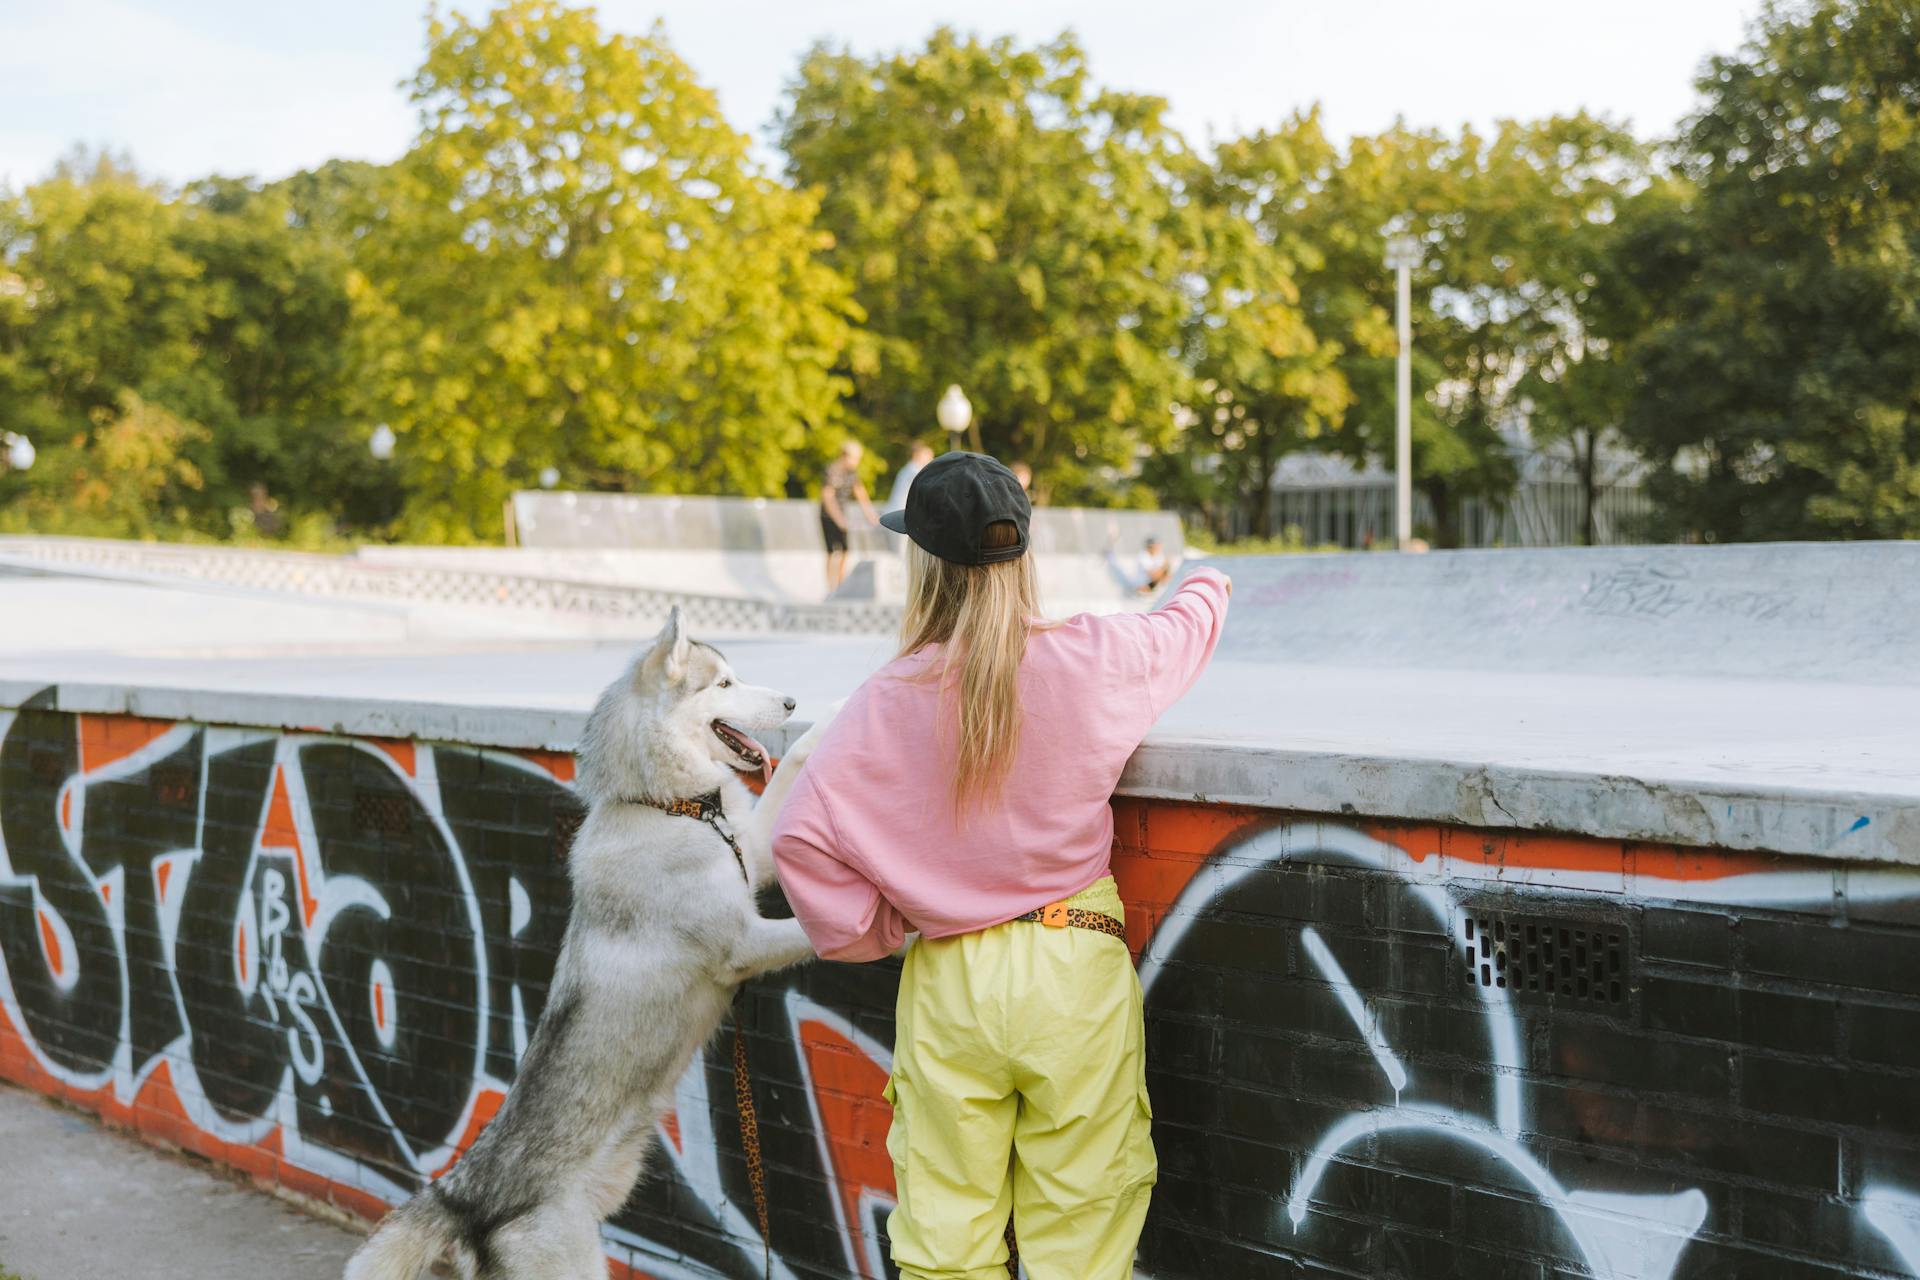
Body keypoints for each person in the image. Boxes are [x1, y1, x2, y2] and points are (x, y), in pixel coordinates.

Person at [771, 452, 1231, 1280]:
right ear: (1022, 553)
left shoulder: (884, 700)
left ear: (924, 567)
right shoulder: (1094, 657)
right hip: (1073, 969)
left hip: (950, 980)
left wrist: (880, 925)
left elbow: (798, 838)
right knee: (1083, 1238)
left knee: (945, 1245)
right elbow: (1192, 621)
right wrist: (1201, 574)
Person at [821, 439, 879, 593]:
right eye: (855, 458)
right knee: (832, 552)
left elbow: (860, 492)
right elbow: (828, 498)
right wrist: (838, 519)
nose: (856, 462)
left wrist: (871, 515)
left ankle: (840, 585)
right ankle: (830, 588)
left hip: (842, 514)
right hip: (828, 516)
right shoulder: (832, 470)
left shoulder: (851, 472)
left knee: (845, 550)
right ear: (844, 456)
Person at [886, 440, 936, 517]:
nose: (931, 459)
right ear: (916, 455)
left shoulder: (908, 469)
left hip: (897, 512)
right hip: (900, 514)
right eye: (927, 455)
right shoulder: (914, 471)